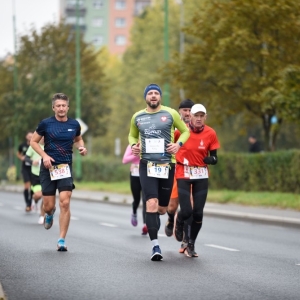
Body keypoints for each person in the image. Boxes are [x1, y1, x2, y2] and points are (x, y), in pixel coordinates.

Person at [128, 83, 190, 261]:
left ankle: (163, 219)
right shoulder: (138, 117)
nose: (153, 96)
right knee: (151, 203)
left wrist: (177, 145)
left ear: (160, 97)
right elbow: (132, 135)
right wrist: (134, 146)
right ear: (146, 97)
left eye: (156, 93)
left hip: (166, 165)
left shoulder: (170, 113)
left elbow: (185, 131)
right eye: (150, 93)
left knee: (163, 208)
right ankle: (155, 245)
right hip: (146, 165)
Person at [30, 93, 87, 251]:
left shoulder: (74, 124)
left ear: (68, 107)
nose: (61, 108)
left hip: (65, 168)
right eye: (58, 106)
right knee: (48, 206)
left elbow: (78, 139)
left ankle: (61, 239)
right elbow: (33, 142)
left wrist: (81, 147)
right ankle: (49, 214)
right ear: (53, 107)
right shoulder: (46, 124)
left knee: (65, 202)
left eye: (64, 106)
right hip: (48, 168)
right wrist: (44, 155)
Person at [174, 104, 220, 258]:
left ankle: (191, 243)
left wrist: (211, 159)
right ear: (190, 117)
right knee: (186, 211)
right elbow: (170, 146)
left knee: (198, 213)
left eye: (202, 116)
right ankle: (179, 221)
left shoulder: (210, 133)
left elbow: (215, 157)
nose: (199, 119)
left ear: (205, 117)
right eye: (196, 116)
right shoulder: (180, 131)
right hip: (184, 172)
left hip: (201, 174)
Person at [164, 99, 195, 254]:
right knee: (172, 206)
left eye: (190, 110)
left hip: (194, 173)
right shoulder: (175, 129)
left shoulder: (198, 129)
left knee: (190, 207)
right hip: (177, 171)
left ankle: (186, 240)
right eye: (185, 110)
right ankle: (171, 219)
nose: (188, 113)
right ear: (180, 112)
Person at [122, 144, 147, 235]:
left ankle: (145, 225)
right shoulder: (132, 146)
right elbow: (124, 160)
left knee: (146, 200)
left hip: (147, 174)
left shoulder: (149, 143)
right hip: (135, 175)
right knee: (137, 199)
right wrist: (136, 154)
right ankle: (134, 212)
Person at [25, 137, 45, 224]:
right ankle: (34, 200)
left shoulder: (49, 145)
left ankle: (42, 216)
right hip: (35, 175)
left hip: (46, 175)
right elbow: (26, 158)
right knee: (38, 195)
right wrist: (32, 162)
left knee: (46, 197)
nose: (44, 138)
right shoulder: (33, 145)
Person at [17, 131, 33, 211]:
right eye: (29, 136)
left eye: (31, 136)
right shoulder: (22, 145)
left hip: (34, 168)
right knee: (27, 185)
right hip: (25, 168)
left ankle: (30, 202)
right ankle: (28, 203)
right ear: (26, 136)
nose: (30, 137)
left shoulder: (35, 145)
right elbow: (18, 153)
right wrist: (21, 158)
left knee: (33, 186)